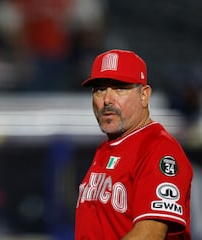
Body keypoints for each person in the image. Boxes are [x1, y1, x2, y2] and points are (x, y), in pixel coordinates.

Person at [75, 49, 193, 239]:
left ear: (144, 95)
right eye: (100, 89)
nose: (107, 100)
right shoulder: (106, 148)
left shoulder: (158, 149)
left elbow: (150, 234)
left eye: (120, 88)